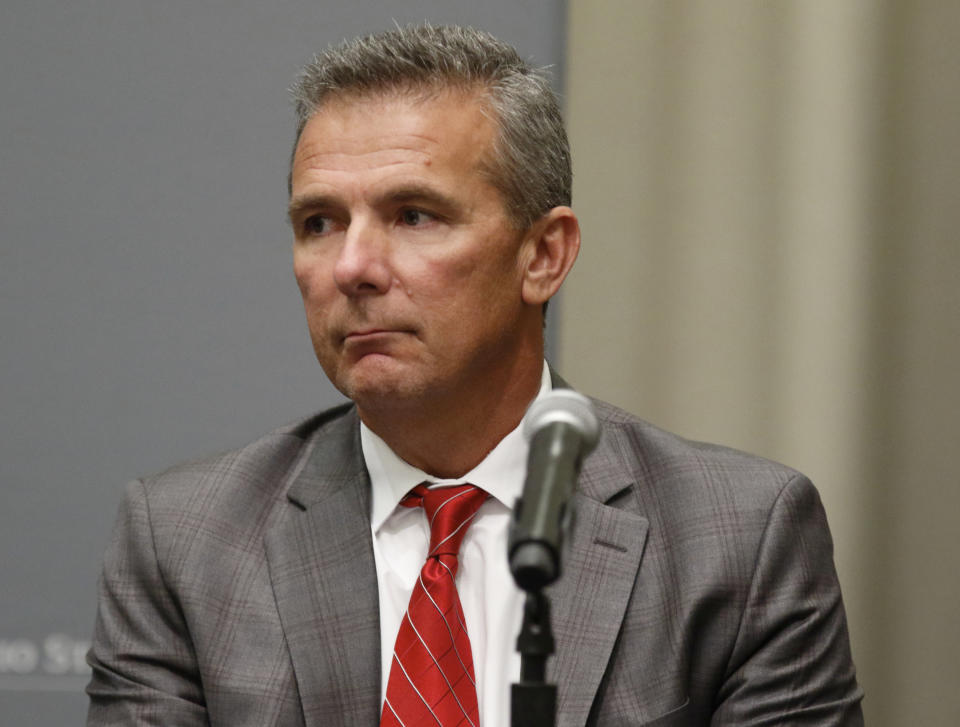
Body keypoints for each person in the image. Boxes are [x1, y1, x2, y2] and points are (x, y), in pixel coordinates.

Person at [86, 24, 863, 726]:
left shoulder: (735, 538)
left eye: (414, 215)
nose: (352, 266)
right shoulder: (188, 543)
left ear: (544, 255)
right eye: (318, 223)